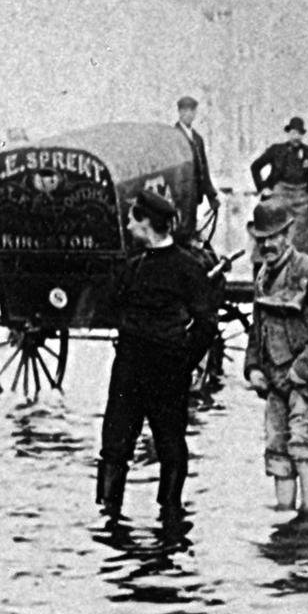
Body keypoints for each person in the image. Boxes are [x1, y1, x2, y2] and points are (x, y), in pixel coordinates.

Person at [95, 190, 221, 526]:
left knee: (166, 443)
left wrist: (183, 359)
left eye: (132, 218)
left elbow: (207, 324)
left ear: (147, 223)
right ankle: (117, 516)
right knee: (117, 444)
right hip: (135, 367)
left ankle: (164, 514)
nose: (127, 224)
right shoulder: (136, 266)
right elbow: (108, 308)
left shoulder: (185, 268)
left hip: (161, 369)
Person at [244, 196, 308, 520]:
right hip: (274, 381)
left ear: (288, 235)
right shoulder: (262, 275)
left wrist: (301, 372)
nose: (268, 245)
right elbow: (256, 329)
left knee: (303, 450)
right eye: (262, 239)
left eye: (274, 237)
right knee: (277, 452)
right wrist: (252, 369)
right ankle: (283, 521)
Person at [250, 116, 308, 258]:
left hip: (301, 196)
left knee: (303, 231)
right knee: (275, 228)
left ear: (302, 135)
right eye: (292, 133)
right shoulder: (276, 150)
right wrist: (263, 188)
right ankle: (268, 260)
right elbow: (255, 167)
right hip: (280, 194)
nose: (295, 137)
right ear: (288, 133)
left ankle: (303, 264)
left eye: (299, 133)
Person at [174, 95, 221, 235]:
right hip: (180, 192)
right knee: (180, 228)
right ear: (180, 113)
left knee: (190, 227)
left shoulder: (197, 139)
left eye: (192, 111)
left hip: (194, 193)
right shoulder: (173, 136)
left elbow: (203, 169)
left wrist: (211, 196)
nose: (188, 114)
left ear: (195, 114)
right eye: (185, 111)